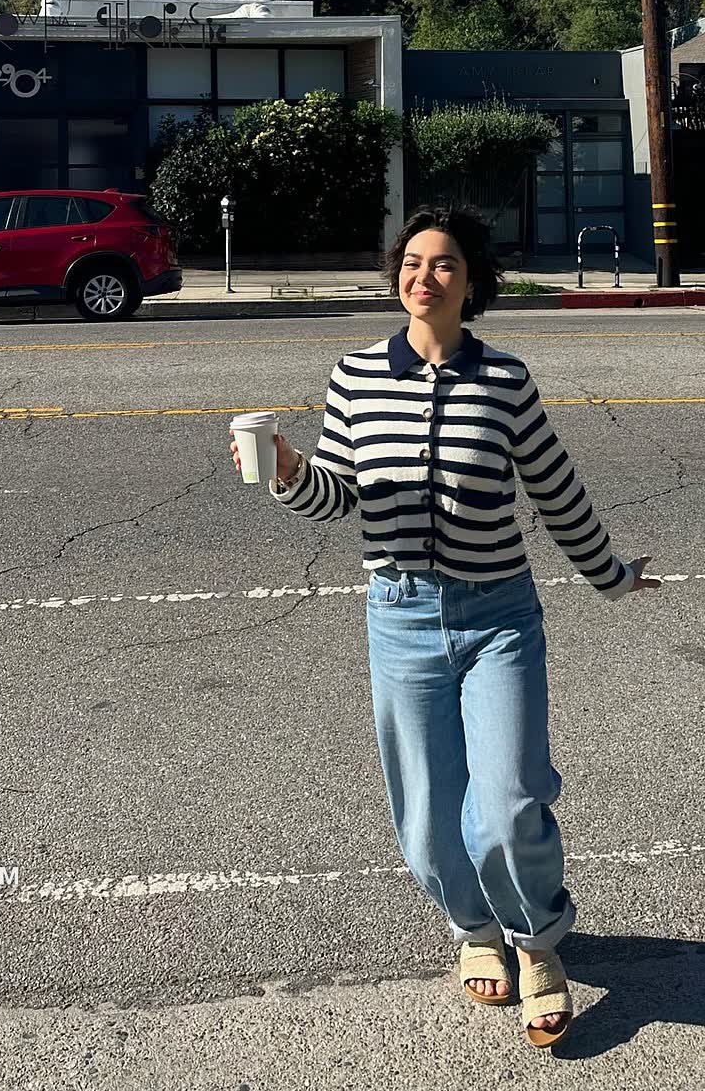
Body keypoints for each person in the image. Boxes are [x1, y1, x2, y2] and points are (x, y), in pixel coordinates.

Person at [230, 205, 657, 1048]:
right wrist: (287, 472)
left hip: (499, 617)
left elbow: (555, 489)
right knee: (426, 821)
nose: (424, 276)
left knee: (507, 802)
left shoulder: (505, 380)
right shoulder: (356, 376)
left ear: (471, 283)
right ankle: (474, 927)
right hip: (401, 618)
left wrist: (610, 574)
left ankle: (537, 942)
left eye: (444, 264)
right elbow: (338, 495)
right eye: (413, 263)